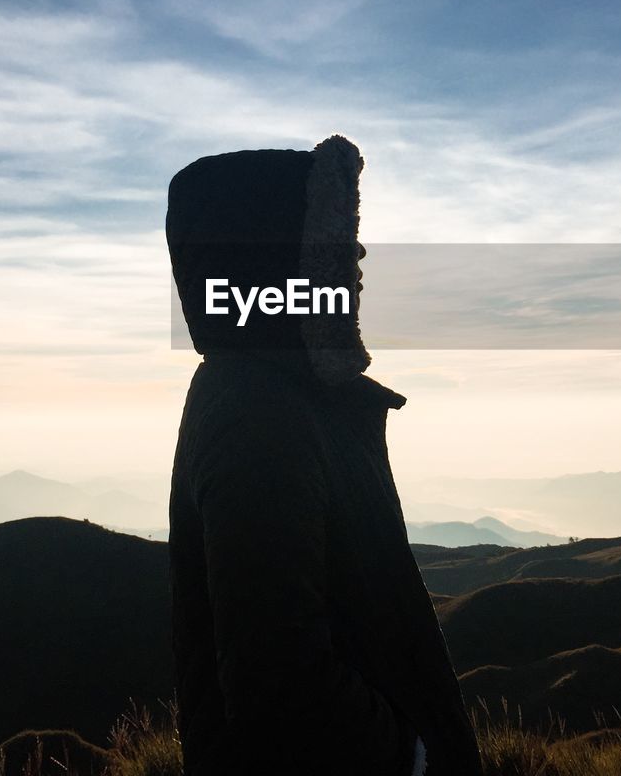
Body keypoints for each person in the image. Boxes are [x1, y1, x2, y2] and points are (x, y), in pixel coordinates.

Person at [165, 134, 483, 776]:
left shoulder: (279, 396)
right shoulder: (259, 413)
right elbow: (279, 682)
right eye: (333, 239)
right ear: (273, 265)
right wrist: (410, 758)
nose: (357, 256)